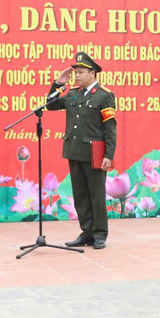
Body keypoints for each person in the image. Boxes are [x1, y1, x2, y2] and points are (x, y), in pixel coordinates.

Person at [46, 51, 117, 249]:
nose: (77, 76)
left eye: (81, 72)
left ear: (92, 73)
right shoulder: (72, 93)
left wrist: (108, 155)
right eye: (75, 72)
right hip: (74, 150)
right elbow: (50, 105)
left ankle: (100, 234)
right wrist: (58, 84)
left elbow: (110, 129)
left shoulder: (104, 96)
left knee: (96, 195)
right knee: (80, 195)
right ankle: (87, 232)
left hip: (93, 153)